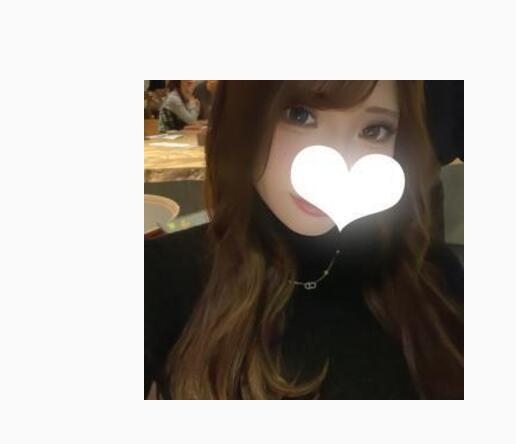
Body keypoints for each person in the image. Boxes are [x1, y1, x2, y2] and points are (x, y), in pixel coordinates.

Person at [145, 81, 464, 399]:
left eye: (374, 130)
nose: (339, 160)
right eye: (299, 115)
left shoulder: (431, 276)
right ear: (242, 115)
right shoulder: (162, 276)